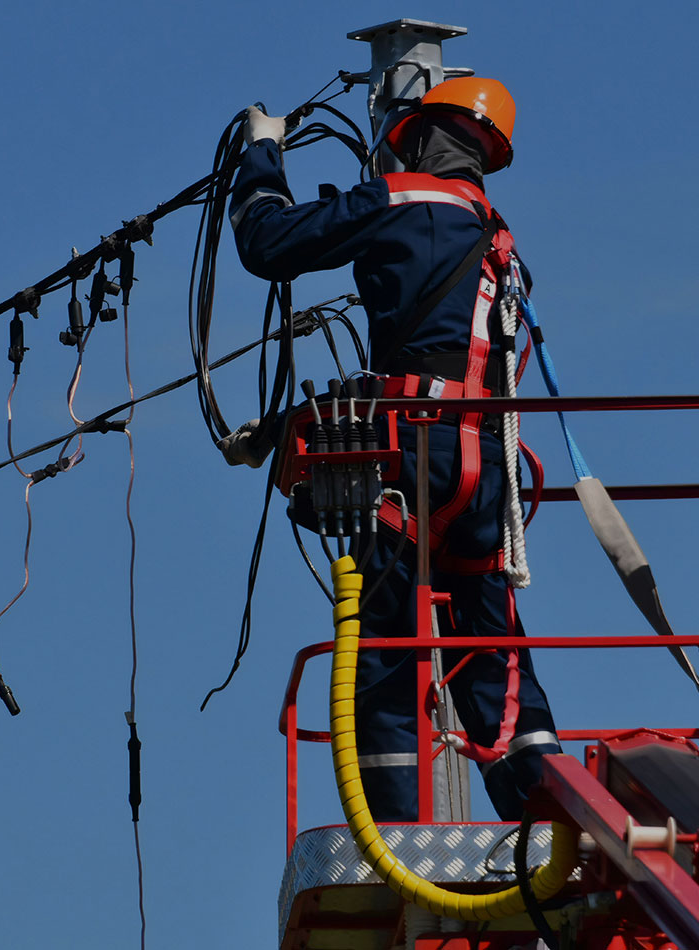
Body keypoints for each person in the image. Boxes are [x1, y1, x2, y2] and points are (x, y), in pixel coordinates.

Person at [225, 78, 560, 821]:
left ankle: (401, 834)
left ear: (410, 138)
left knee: (387, 655)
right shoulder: (498, 239)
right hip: (483, 472)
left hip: (410, 458)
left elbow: (267, 242)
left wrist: (262, 153)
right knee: (495, 653)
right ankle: (548, 808)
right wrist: (284, 430)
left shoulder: (400, 201)